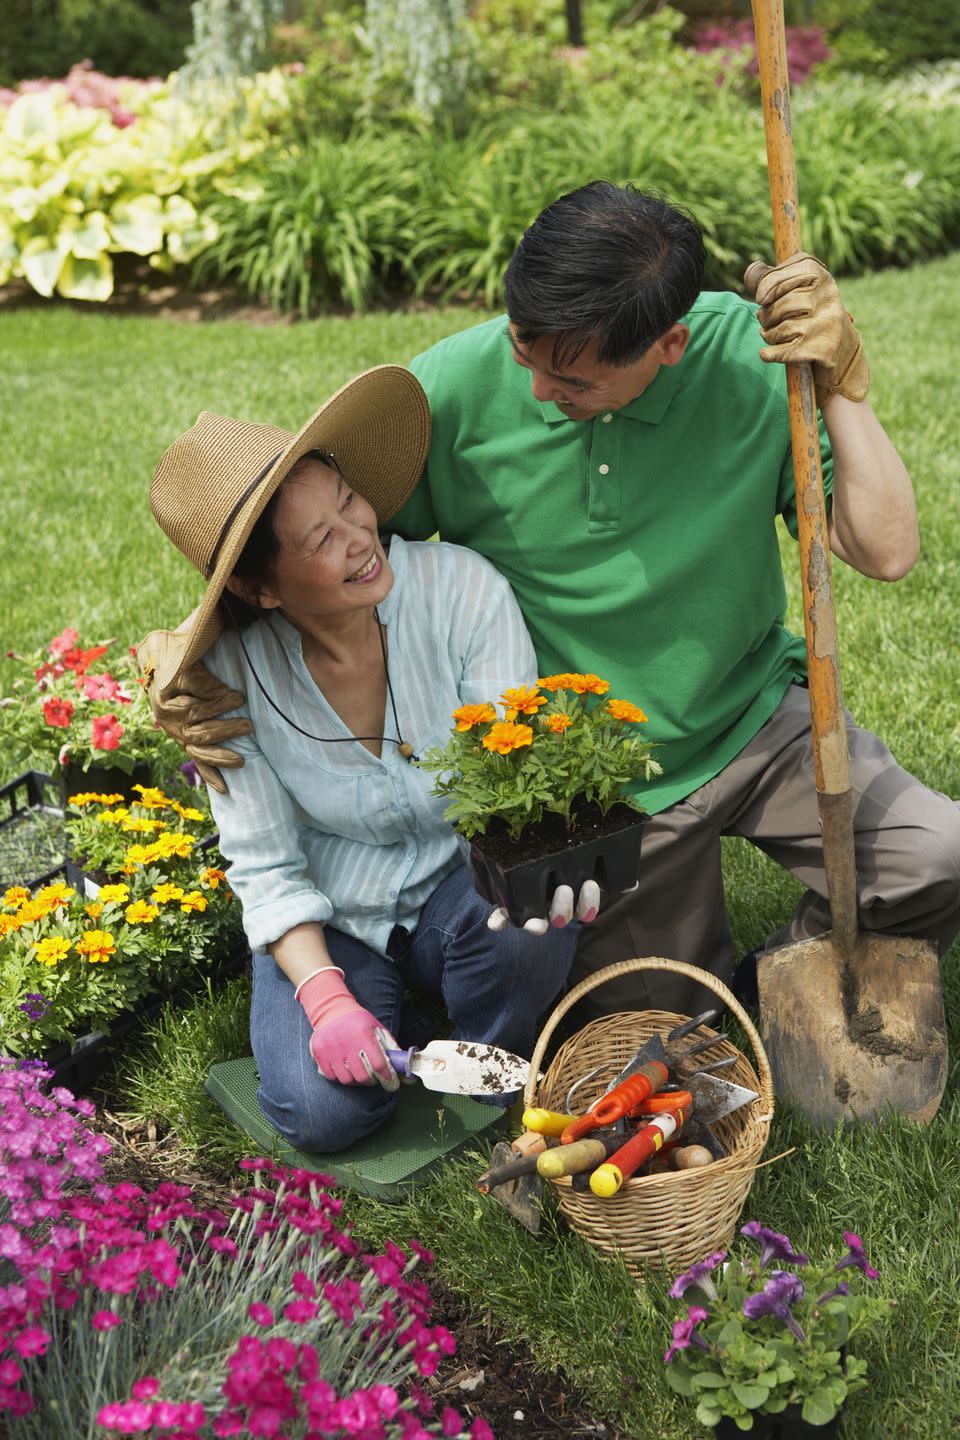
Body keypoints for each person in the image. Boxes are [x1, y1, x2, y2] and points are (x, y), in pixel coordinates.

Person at [139, 182, 960, 1025]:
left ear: (669, 344)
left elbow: (886, 550)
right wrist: (192, 647)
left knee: (940, 857)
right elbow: (303, 537)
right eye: (522, 349)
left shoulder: (756, 361)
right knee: (668, 1028)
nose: (534, 390)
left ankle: (781, 976)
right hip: (603, 782)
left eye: (569, 377)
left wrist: (840, 385)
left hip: (758, 718)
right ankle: (740, 1003)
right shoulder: (452, 390)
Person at [146, 365, 581, 1153]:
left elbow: (514, 791)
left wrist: (545, 873)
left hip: (461, 882)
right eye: (321, 538)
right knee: (323, 1116)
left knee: (529, 931)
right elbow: (268, 867)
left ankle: (469, 1034)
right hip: (333, 914)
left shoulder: (462, 594)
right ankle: (388, 1015)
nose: (360, 538)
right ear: (264, 589)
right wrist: (324, 999)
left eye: (349, 503)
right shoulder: (227, 689)